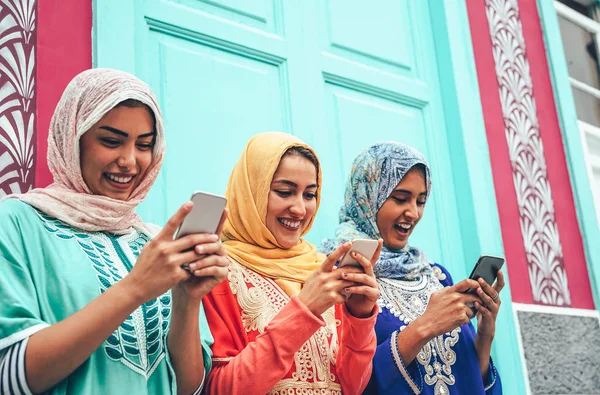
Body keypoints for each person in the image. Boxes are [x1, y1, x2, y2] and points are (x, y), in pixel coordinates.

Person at [0, 68, 228, 394]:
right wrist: (134, 288)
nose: (130, 161)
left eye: (145, 144)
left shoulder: (154, 244)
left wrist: (186, 300)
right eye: (111, 141)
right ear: (72, 137)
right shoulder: (16, 223)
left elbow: (190, 388)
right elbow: (9, 377)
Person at [203, 132, 381, 394]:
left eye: (309, 195)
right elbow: (221, 389)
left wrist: (360, 319)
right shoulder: (216, 271)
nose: (299, 209)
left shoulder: (325, 272)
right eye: (285, 192)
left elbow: (353, 386)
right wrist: (304, 310)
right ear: (252, 192)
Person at [321, 141, 503, 394]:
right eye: (400, 198)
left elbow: (471, 377)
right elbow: (345, 383)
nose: (413, 213)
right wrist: (424, 327)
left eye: (421, 201)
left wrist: (485, 334)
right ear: (367, 196)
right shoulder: (340, 276)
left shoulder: (436, 275)